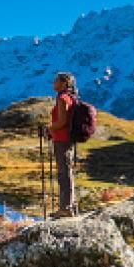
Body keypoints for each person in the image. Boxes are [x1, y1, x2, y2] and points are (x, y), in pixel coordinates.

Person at [48, 72, 78, 217]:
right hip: (68, 139)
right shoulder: (71, 97)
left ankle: (65, 208)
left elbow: (61, 122)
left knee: (63, 173)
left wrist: (49, 128)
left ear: (64, 83)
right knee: (67, 172)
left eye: (56, 81)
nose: (53, 83)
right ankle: (70, 206)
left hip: (61, 139)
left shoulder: (62, 98)